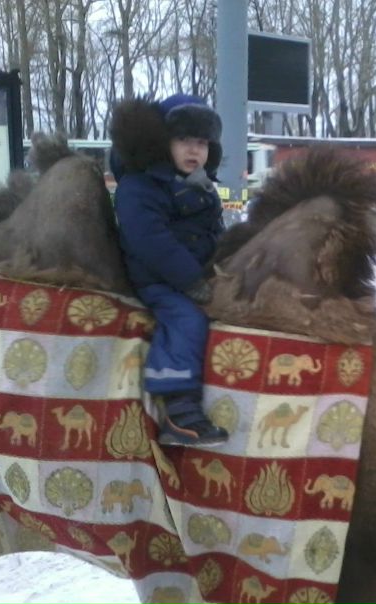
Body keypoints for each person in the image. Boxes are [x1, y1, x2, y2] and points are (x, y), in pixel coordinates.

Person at [110, 93, 228, 446]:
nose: (195, 151)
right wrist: (192, 281)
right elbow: (151, 241)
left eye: (202, 142)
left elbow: (214, 232)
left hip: (194, 274)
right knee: (186, 319)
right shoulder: (139, 186)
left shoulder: (201, 187)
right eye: (183, 140)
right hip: (157, 279)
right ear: (161, 141)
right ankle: (178, 408)